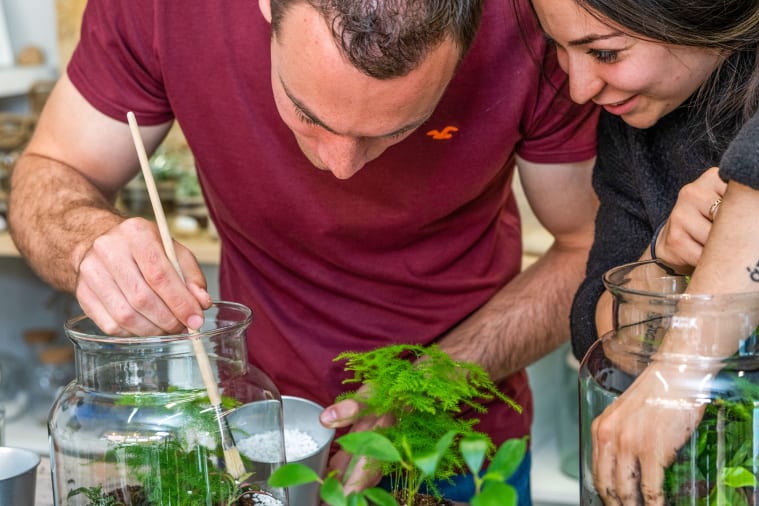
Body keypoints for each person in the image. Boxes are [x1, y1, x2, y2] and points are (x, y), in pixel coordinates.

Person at [8, 0, 601, 501]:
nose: (339, 168)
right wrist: (88, 242)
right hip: (250, 443)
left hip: (458, 448)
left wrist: (421, 385)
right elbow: (51, 169)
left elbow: (585, 249)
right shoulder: (168, 9)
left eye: (394, 129)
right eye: (307, 114)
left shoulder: (535, 21)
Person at [529, 0, 759, 504]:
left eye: (605, 53)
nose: (578, 87)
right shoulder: (634, 118)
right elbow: (596, 328)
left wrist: (678, 374)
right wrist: (662, 255)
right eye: (558, 49)